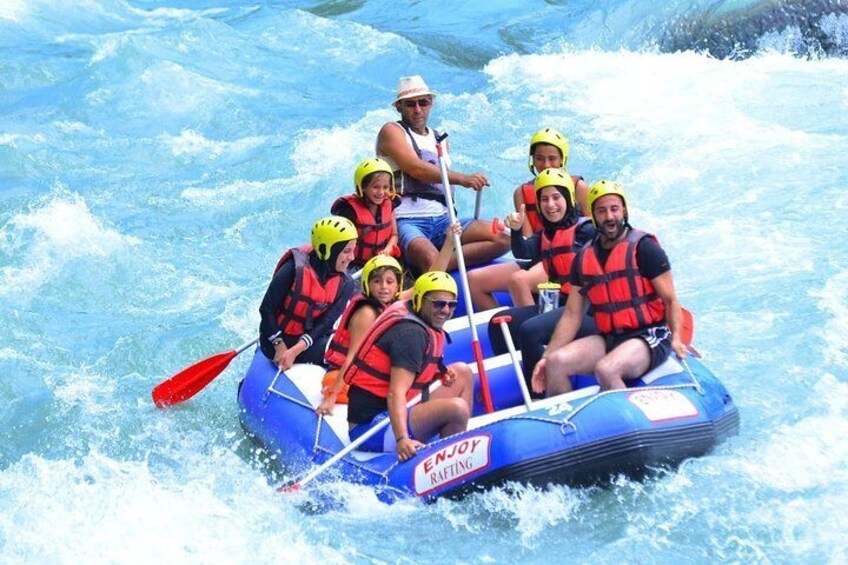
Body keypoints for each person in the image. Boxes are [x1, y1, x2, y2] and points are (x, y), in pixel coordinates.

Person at [531, 181, 688, 396]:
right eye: (602, 211)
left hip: (650, 335)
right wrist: (546, 356)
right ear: (593, 215)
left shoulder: (645, 248)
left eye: (614, 209)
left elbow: (670, 300)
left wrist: (677, 338)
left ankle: (627, 424)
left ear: (624, 210)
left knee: (606, 369)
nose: (609, 217)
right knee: (556, 363)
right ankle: (568, 426)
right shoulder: (584, 257)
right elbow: (572, 315)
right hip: (610, 337)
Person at [316, 222, 462, 416]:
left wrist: (449, 243)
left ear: (397, 285)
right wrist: (332, 397)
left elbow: (431, 278)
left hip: (369, 374)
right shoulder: (366, 313)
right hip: (343, 375)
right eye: (377, 281)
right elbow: (352, 356)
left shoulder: (393, 301)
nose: (384, 287)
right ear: (367, 285)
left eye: (390, 282)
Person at [376, 75, 509, 275]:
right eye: (410, 104)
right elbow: (415, 168)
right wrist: (463, 179)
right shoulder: (391, 131)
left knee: (504, 237)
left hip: (444, 220)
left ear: (431, 103)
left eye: (423, 102)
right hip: (407, 219)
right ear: (399, 107)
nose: (418, 109)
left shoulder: (441, 139)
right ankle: (435, 265)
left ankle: (440, 265)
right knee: (429, 258)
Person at [486, 168, 597, 392]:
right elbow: (524, 254)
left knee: (530, 331)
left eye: (556, 197)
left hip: (587, 310)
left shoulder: (587, 229)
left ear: (568, 198)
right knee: (499, 322)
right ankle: (518, 384)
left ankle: (538, 394)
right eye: (544, 199)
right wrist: (516, 231)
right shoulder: (547, 233)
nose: (550, 204)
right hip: (561, 305)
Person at [343, 271, 474, 461]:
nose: (445, 310)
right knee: (458, 409)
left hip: (394, 411)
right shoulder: (411, 335)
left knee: (463, 372)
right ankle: (446, 463)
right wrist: (402, 439)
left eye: (451, 305)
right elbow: (395, 392)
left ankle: (452, 441)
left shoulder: (419, 318)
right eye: (438, 304)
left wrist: (438, 375)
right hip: (371, 428)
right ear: (420, 300)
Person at [466, 127, 590, 309]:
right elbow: (528, 246)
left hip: (568, 259)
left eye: (552, 158)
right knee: (474, 279)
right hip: (540, 257)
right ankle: (506, 329)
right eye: (539, 158)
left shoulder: (578, 187)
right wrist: (515, 230)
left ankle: (532, 328)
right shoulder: (522, 193)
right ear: (532, 160)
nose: (546, 164)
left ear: (563, 159)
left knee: (520, 281)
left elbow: (591, 230)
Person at [258, 216, 358, 370]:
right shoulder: (293, 269)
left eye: (353, 250)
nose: (352, 257)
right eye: (346, 251)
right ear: (327, 250)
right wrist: (280, 346)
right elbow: (266, 309)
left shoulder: (346, 284)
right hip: (276, 340)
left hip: (308, 339)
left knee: (355, 351)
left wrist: (296, 350)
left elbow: (326, 322)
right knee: (341, 357)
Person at [330, 157, 401, 270]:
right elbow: (339, 243)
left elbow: (394, 235)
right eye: (375, 187)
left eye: (385, 187)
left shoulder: (390, 205)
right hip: (354, 264)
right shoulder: (349, 210)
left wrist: (387, 250)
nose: (381, 192)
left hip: (381, 261)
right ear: (362, 187)